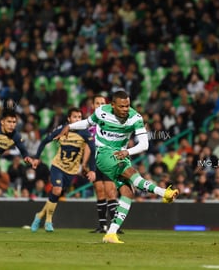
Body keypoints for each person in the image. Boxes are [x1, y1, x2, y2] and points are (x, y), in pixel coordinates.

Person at [55, 90, 179, 243]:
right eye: (122, 106)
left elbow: (144, 144)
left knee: (127, 192)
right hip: (104, 154)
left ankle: (111, 234)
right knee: (131, 173)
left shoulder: (135, 118)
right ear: (112, 105)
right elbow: (88, 122)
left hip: (121, 154)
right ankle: (163, 193)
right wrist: (70, 126)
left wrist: (127, 151)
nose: (126, 109)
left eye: (127, 105)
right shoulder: (102, 112)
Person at [30, 107, 96, 232]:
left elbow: (93, 151)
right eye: (75, 117)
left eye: (79, 117)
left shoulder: (85, 133)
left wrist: (92, 169)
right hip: (57, 166)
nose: (77, 119)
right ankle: (48, 221)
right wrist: (37, 158)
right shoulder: (61, 129)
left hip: (71, 171)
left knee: (56, 194)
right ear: (69, 119)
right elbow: (44, 141)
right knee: (57, 189)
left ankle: (39, 215)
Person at [89, 95, 120, 234]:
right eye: (97, 103)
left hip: (108, 160)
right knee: (100, 191)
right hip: (94, 162)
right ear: (93, 105)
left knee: (110, 191)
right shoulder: (89, 124)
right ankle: (102, 226)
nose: (100, 105)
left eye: (102, 103)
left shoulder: (111, 121)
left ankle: (115, 226)